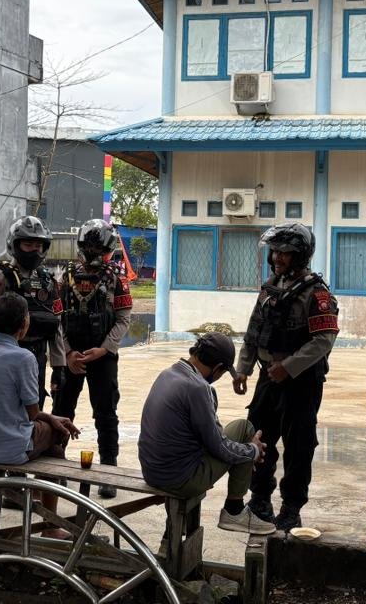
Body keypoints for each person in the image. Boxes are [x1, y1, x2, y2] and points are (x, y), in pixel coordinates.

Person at [234, 223, 338, 531]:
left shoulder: (317, 293)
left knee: (299, 446)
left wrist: (289, 366)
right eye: (275, 251)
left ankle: (291, 508)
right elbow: (254, 330)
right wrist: (243, 368)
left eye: (285, 252)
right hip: (268, 376)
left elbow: (324, 340)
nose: (278, 257)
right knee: (258, 437)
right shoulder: (270, 287)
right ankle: (260, 499)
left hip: (301, 382)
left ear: (300, 255)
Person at [139, 333, 276, 535]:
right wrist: (252, 451)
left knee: (241, 427)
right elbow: (219, 447)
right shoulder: (198, 388)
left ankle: (179, 528)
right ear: (218, 368)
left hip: (151, 470)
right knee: (247, 433)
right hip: (178, 479)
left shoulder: (168, 374)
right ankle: (234, 511)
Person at [51, 219, 133, 498]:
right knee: (61, 411)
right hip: (70, 357)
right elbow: (56, 318)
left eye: (99, 248)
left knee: (106, 414)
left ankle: (108, 471)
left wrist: (105, 349)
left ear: (108, 249)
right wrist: (68, 353)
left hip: (103, 356)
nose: (93, 252)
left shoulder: (117, 278)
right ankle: (55, 467)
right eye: (90, 246)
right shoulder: (65, 277)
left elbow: (123, 320)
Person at [0, 292, 80, 468]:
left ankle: (21, 484)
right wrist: (51, 420)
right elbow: (32, 413)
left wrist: (50, 417)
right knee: (59, 433)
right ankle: (47, 483)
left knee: (49, 426)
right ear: (25, 324)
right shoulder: (24, 358)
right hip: (12, 451)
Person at [0, 215, 65, 407]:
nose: (34, 250)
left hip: (38, 359)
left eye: (38, 246)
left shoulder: (48, 281)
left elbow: (56, 325)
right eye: (28, 245)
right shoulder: (0, 279)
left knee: (35, 409)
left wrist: (59, 367)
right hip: (6, 359)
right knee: (7, 409)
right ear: (15, 245)